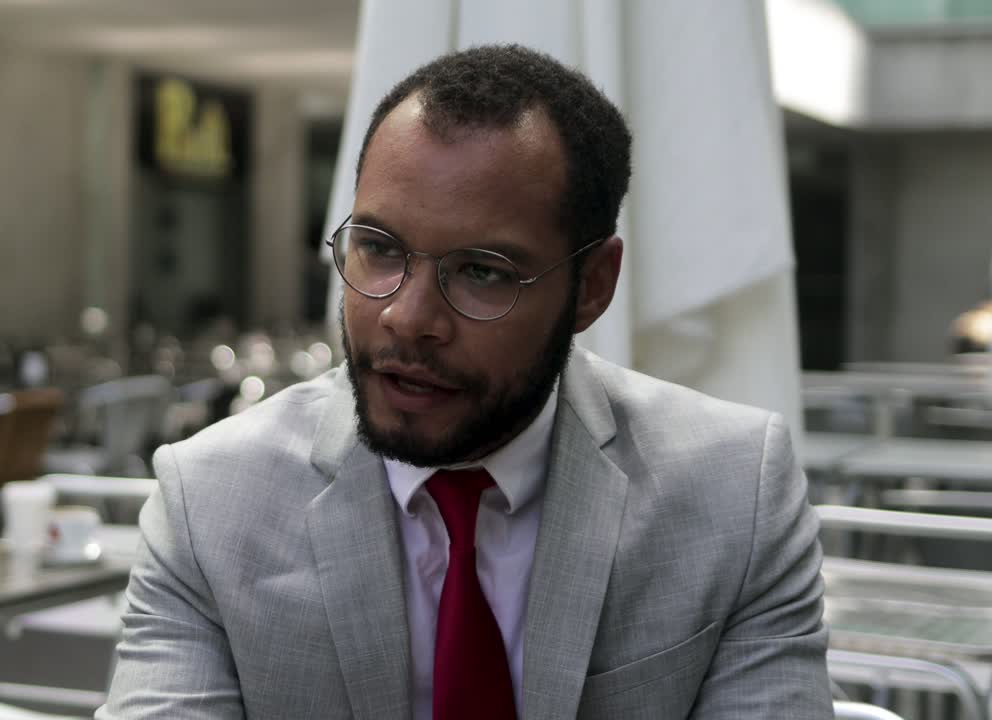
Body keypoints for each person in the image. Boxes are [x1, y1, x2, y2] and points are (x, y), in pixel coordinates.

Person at [100, 45, 830, 719]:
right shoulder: (213, 501)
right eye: (379, 250)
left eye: (483, 272)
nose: (408, 319)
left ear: (592, 286)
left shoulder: (734, 494)